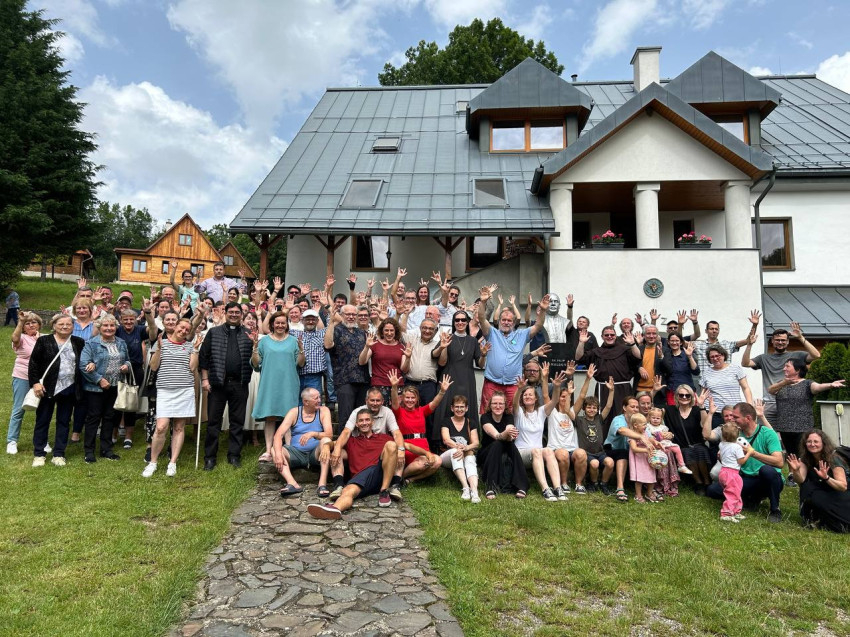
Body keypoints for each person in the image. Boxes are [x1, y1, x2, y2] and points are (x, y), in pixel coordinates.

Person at [307, 409, 432, 520]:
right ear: (356, 424)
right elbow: (333, 444)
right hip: (361, 478)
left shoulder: (384, 438)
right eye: (361, 421)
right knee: (348, 491)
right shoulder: (351, 441)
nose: (364, 423)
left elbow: (407, 446)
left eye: (367, 420)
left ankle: (384, 491)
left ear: (372, 422)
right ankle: (335, 509)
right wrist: (326, 447)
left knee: (392, 445)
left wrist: (427, 453)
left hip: (379, 473)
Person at [767, 359, 845, 485]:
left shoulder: (807, 383)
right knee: (790, 452)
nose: (784, 369)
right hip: (784, 426)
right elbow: (771, 390)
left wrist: (830, 385)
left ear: (797, 370)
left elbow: (817, 387)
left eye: (787, 366)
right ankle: (792, 475)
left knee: (803, 453)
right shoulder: (782, 383)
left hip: (802, 426)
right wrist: (784, 382)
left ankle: (806, 475)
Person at [329, 387, 413, 500]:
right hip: (358, 447)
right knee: (337, 452)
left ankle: (395, 485)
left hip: (381, 448)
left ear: (382, 401)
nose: (375, 403)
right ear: (366, 401)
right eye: (372, 400)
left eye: (378, 400)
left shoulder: (387, 412)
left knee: (397, 448)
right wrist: (337, 448)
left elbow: (397, 433)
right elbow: (346, 432)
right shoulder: (358, 412)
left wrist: (401, 450)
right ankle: (339, 485)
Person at [706, 402, 785, 523]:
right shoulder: (735, 434)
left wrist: (752, 453)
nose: (732, 419)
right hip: (745, 477)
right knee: (712, 490)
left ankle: (775, 509)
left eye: (736, 417)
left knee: (766, 470)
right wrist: (722, 457)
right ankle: (752, 498)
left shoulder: (768, 433)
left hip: (767, 479)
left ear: (747, 418)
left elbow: (779, 462)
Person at [142, 320, 202, 478]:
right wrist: (159, 349)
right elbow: (153, 366)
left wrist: (195, 350)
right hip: (165, 390)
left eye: (187, 329)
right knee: (161, 427)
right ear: (175, 327)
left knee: (179, 427)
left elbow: (192, 367)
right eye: (181, 327)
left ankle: (172, 462)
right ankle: (153, 462)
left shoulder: (190, 346)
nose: (183, 331)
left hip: (184, 390)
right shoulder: (162, 343)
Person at [199, 302, 254, 469]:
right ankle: (210, 457)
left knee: (237, 421)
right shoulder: (214, 332)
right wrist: (205, 379)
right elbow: (204, 356)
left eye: (237, 312)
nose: (234, 315)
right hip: (217, 383)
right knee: (213, 422)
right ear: (226, 313)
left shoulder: (248, 334)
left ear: (241, 315)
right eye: (231, 312)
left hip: (240, 383)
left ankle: (234, 455)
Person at [476, 286, 549, 412]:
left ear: (514, 323)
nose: (506, 322)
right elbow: (482, 318)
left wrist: (542, 310)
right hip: (491, 382)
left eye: (509, 320)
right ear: (499, 321)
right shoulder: (491, 333)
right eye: (503, 320)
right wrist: (483, 302)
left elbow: (538, 325)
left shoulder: (522, 335)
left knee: (512, 415)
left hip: (513, 385)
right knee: (487, 412)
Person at [28, 315, 85, 467]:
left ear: (73, 326)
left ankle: (59, 454)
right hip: (47, 388)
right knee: (43, 420)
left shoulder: (78, 342)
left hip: (69, 387)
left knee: (64, 421)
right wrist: (35, 383)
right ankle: (39, 454)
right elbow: (33, 363)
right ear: (54, 325)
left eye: (68, 324)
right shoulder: (44, 341)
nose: (65, 326)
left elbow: (83, 361)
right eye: (61, 324)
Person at [251, 310, 304, 463]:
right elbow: (256, 364)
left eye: (283, 323)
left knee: (288, 416)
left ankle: (289, 450)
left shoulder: (293, 341)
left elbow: (300, 363)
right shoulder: (264, 341)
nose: (280, 325)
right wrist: (255, 348)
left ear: (287, 325)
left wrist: (301, 349)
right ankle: (268, 450)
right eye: (277, 323)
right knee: (270, 416)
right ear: (272, 324)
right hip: (269, 383)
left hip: (289, 383)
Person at [742, 322, 821, 423]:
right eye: (777, 340)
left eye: (783, 340)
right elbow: (745, 363)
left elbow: (816, 355)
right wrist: (749, 344)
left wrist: (800, 337)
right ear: (772, 341)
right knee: (766, 431)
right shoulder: (763, 358)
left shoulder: (797, 356)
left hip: (790, 403)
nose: (780, 342)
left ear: (788, 342)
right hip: (769, 404)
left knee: (789, 431)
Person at [431, 310, 487, 447]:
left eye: (463, 320)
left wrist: (483, 355)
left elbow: (480, 364)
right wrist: (444, 347)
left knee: (465, 408)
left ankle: (469, 443)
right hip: (449, 378)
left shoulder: (473, 341)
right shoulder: (447, 337)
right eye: (457, 320)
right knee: (445, 408)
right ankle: (441, 443)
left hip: (467, 380)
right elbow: (441, 362)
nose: (460, 322)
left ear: (467, 322)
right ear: (453, 322)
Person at [79, 315, 131, 463]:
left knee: (110, 417)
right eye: (105, 326)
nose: (109, 328)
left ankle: (106, 449)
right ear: (100, 327)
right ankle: (89, 451)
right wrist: (99, 380)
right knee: (93, 418)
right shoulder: (91, 343)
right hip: (95, 388)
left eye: (112, 325)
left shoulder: (121, 342)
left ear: (116, 327)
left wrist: (126, 366)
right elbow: (83, 365)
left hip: (115, 386)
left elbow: (127, 359)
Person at [513, 370, 567, 502]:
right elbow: (514, 404)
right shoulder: (519, 413)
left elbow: (554, 401)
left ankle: (557, 488)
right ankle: (545, 489)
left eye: (530, 394)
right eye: (525, 395)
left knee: (548, 450)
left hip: (537, 453)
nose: (527, 396)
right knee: (537, 451)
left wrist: (556, 387)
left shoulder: (541, 411)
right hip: (521, 453)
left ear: (536, 398)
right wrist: (519, 390)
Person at [576, 324, 641, 435]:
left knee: (625, 415)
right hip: (603, 389)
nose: (609, 337)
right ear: (602, 337)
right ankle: (604, 440)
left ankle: (627, 440)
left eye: (612, 335)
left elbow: (638, 357)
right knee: (604, 417)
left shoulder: (624, 350)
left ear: (616, 336)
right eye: (607, 335)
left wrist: (633, 344)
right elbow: (579, 357)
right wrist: (581, 342)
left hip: (623, 389)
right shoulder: (596, 352)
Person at [388, 369, 449, 486]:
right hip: (408, 448)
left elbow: (434, 404)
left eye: (413, 398)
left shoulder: (421, 410)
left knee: (438, 461)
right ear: (403, 399)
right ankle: (399, 477)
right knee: (422, 464)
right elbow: (395, 402)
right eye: (407, 397)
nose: (410, 400)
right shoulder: (399, 412)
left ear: (417, 399)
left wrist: (442, 391)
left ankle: (411, 480)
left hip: (423, 447)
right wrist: (394, 387)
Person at [271, 388, 333, 496]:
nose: (319, 400)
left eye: (319, 397)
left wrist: (313, 434)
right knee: (274, 449)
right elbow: (278, 435)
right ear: (306, 402)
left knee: (326, 441)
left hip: (315, 453)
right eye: (316, 398)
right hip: (296, 452)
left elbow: (329, 434)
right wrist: (278, 455)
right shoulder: (294, 412)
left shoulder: (324, 411)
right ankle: (292, 484)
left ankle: (322, 484)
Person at [788, 430, 850, 532]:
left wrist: (827, 478)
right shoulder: (805, 458)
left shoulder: (833, 458)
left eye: (816, 441)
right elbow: (801, 480)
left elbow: (843, 486)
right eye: (809, 441)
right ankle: (814, 518)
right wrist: (796, 470)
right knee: (807, 488)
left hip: (839, 494)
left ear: (823, 443)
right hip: (823, 493)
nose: (812, 444)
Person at [604, 396, 662, 502]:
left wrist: (655, 443)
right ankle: (620, 488)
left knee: (654, 454)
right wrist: (640, 437)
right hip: (613, 450)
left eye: (637, 407)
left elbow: (649, 436)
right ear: (624, 408)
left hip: (632, 452)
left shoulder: (639, 421)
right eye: (632, 407)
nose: (635, 409)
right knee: (622, 454)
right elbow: (622, 430)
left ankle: (650, 488)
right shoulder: (618, 419)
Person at [324, 304, 370, 433]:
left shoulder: (361, 333)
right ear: (342, 315)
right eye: (348, 314)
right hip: (344, 380)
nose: (351, 317)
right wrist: (331, 323)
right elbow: (327, 345)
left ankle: (359, 443)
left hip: (363, 380)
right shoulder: (336, 330)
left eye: (353, 314)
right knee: (346, 417)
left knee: (362, 417)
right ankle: (343, 444)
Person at [570, 365, 615, 493]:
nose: (592, 410)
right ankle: (593, 483)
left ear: (597, 409)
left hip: (600, 452)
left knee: (610, 463)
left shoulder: (599, 419)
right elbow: (581, 396)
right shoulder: (579, 420)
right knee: (594, 464)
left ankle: (604, 483)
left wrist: (611, 391)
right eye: (589, 407)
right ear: (584, 408)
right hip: (587, 454)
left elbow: (608, 406)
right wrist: (588, 379)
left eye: (594, 408)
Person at [477, 391, 529, 499]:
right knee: (498, 443)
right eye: (495, 403)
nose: (498, 406)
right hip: (487, 453)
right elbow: (497, 436)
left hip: (505, 448)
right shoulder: (485, 417)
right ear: (490, 405)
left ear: (505, 405)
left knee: (510, 445)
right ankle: (490, 486)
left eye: (501, 403)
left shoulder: (508, 417)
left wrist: (510, 434)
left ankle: (522, 486)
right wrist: (507, 433)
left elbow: (509, 437)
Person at [665, 386, 714, 494]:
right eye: (681, 395)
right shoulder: (670, 410)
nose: (684, 397)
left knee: (701, 450)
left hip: (698, 443)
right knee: (687, 452)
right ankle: (698, 482)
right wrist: (654, 391)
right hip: (682, 446)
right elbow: (651, 409)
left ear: (692, 397)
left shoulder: (696, 410)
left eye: (687, 395)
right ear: (676, 396)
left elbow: (704, 425)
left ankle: (707, 481)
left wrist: (701, 406)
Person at [7, 313, 42, 454]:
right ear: (23, 327)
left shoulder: (44, 338)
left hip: (41, 379)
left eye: (34, 322)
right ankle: (12, 441)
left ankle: (42, 441)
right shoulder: (21, 338)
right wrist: (20, 321)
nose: (31, 325)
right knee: (18, 409)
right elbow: (14, 339)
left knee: (43, 411)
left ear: (39, 324)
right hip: (22, 376)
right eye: (28, 323)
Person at [440, 395, 482, 502]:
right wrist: (458, 448)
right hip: (447, 456)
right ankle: (465, 487)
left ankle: (474, 491)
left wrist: (466, 447)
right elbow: (446, 440)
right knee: (455, 452)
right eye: (457, 406)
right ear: (452, 408)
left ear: (466, 408)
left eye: (462, 407)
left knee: (470, 458)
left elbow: (476, 443)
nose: (459, 409)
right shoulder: (446, 421)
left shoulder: (470, 422)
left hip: (465, 453)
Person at [546, 377, 581, 500]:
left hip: (572, 448)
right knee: (563, 454)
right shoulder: (552, 412)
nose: (564, 399)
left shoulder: (572, 411)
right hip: (557, 448)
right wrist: (545, 378)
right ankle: (564, 483)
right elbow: (545, 395)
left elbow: (582, 396)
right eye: (562, 396)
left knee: (581, 453)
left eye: (567, 397)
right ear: (557, 398)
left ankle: (579, 484)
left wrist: (588, 378)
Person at [699, 344, 753, 425]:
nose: (715, 358)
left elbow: (745, 388)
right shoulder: (706, 373)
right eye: (712, 357)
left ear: (723, 355)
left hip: (733, 411)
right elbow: (703, 394)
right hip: (715, 412)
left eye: (717, 355)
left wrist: (749, 405)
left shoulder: (735, 369)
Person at [692, 312, 760, 375]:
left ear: (719, 331)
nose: (714, 331)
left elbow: (748, 341)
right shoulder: (699, 345)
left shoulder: (727, 345)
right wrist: (693, 322)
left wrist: (754, 325)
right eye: (711, 329)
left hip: (725, 380)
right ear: (706, 331)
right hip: (706, 381)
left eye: (716, 329)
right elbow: (684, 343)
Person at [359, 317, 407, 404]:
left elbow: (404, 369)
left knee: (396, 411)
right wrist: (367, 346)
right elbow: (362, 362)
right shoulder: (375, 344)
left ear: (395, 331)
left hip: (397, 385)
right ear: (382, 331)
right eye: (386, 330)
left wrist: (408, 357)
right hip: (379, 385)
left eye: (391, 330)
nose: (389, 333)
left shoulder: (401, 346)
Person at [646, 407, 691, 497]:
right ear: (649, 418)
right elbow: (649, 437)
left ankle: (681, 465)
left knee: (677, 448)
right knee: (665, 451)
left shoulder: (663, 427)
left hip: (665, 444)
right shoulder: (648, 427)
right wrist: (658, 436)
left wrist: (669, 435)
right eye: (653, 418)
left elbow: (668, 436)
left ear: (661, 419)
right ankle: (659, 483)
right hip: (655, 445)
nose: (655, 420)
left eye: (658, 418)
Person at [717, 421, 755, 522]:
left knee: (735, 493)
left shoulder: (721, 444)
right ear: (738, 435)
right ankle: (726, 514)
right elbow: (741, 461)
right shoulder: (737, 447)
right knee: (732, 495)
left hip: (723, 472)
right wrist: (749, 453)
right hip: (732, 474)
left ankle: (736, 511)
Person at [627, 414, 660, 503]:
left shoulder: (645, 433)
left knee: (651, 475)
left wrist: (655, 442)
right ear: (635, 425)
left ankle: (649, 493)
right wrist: (646, 450)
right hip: (639, 459)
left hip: (647, 458)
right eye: (644, 424)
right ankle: (638, 495)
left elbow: (650, 439)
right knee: (640, 478)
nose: (646, 426)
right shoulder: (632, 436)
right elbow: (634, 449)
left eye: (646, 424)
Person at [662, 333, 698, 404]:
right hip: (672, 391)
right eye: (672, 341)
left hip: (687, 391)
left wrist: (690, 356)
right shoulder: (665, 355)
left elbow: (696, 371)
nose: (674, 343)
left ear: (681, 342)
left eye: (677, 341)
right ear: (668, 342)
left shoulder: (687, 353)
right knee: (672, 411)